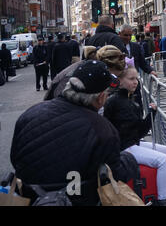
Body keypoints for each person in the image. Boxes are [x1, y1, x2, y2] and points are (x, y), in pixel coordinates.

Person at [10, 60, 138, 206]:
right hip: (76, 199)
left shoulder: (30, 114)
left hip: (27, 197)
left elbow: (15, 158)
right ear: (101, 97)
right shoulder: (103, 130)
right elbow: (110, 177)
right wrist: (128, 162)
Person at [103, 65, 166, 205]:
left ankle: (161, 187)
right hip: (125, 148)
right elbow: (139, 131)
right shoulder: (121, 102)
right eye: (131, 79)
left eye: (136, 78)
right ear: (120, 81)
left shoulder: (126, 99)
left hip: (129, 143)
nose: (135, 82)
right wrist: (151, 115)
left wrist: (150, 115)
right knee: (165, 160)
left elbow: (137, 131)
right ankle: (163, 200)